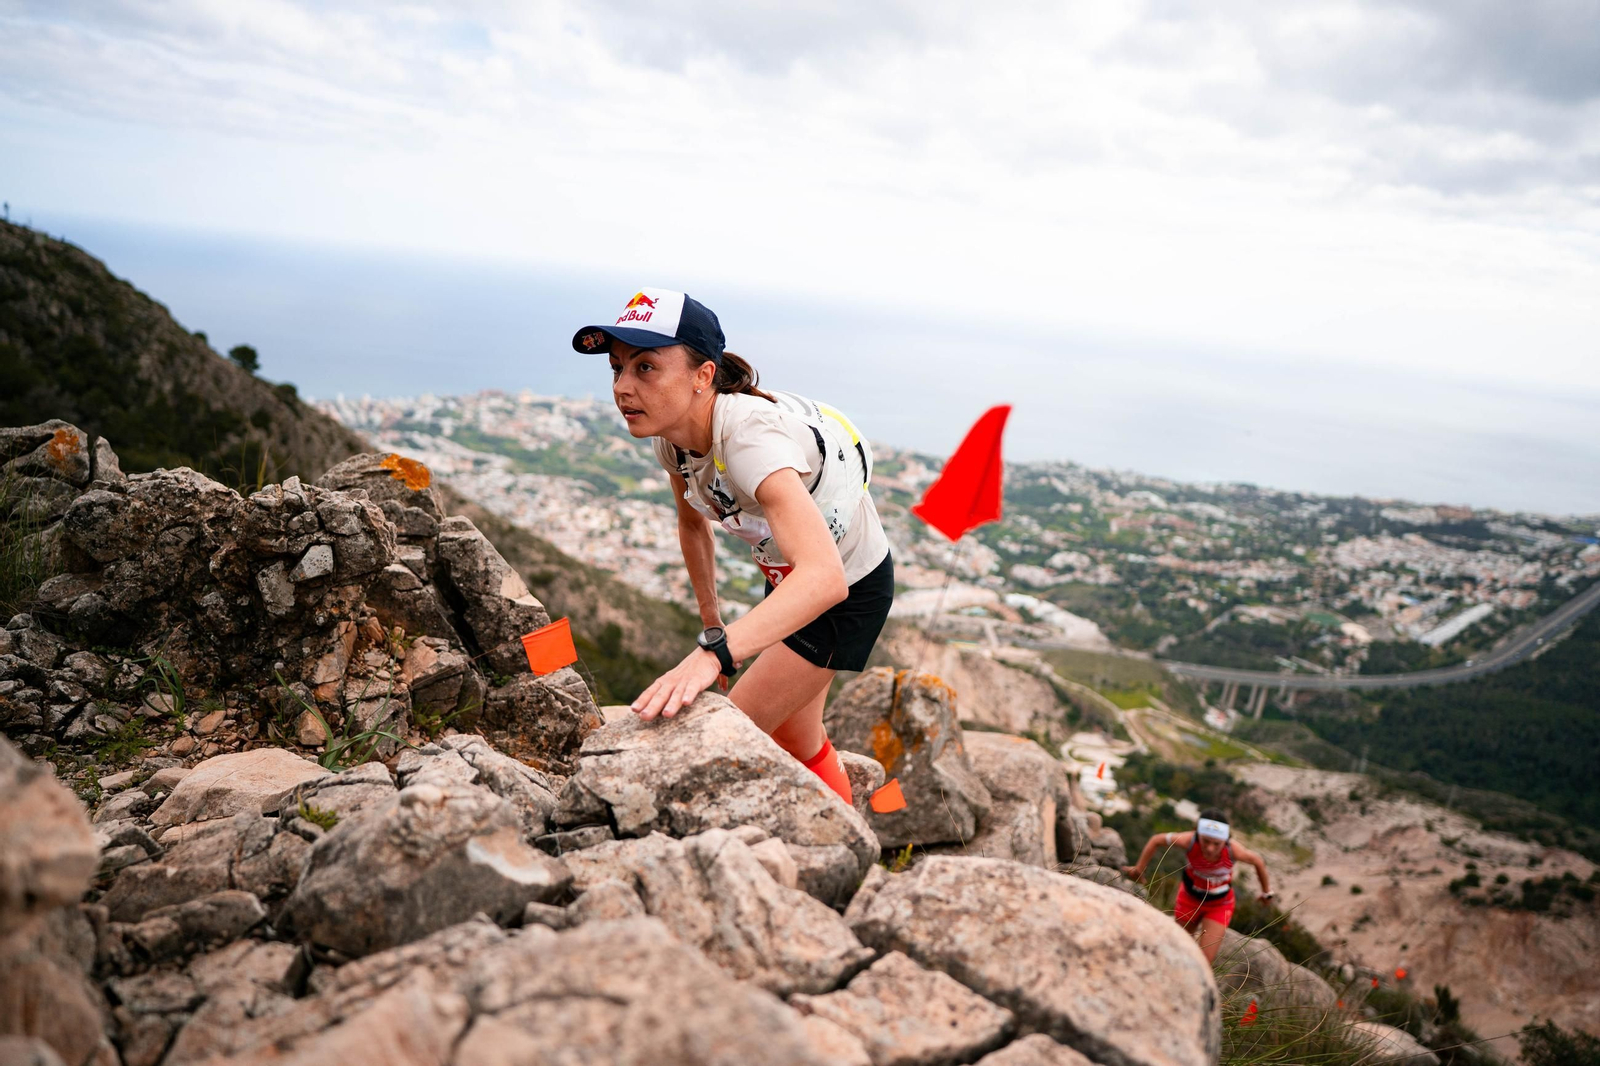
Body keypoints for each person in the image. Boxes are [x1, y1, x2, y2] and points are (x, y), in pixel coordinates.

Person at [571, 288, 893, 804]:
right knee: (797, 736)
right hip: (790, 579)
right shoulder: (671, 436)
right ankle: (849, 851)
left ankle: (833, 856)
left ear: (703, 376)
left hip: (846, 590)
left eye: (646, 368)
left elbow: (825, 578)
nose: (623, 388)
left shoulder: (749, 440)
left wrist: (712, 656)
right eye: (617, 369)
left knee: (722, 738)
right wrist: (712, 620)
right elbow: (691, 523)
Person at [1123, 809, 1273, 963]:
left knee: (1204, 960)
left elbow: (1258, 861)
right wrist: (1139, 869)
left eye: (1217, 844)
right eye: (1206, 841)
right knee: (1177, 949)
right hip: (1189, 899)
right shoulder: (1188, 840)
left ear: (1226, 840)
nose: (1210, 848)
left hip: (1220, 905)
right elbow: (1156, 840)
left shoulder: (1234, 850)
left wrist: (1266, 893)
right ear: (1196, 833)